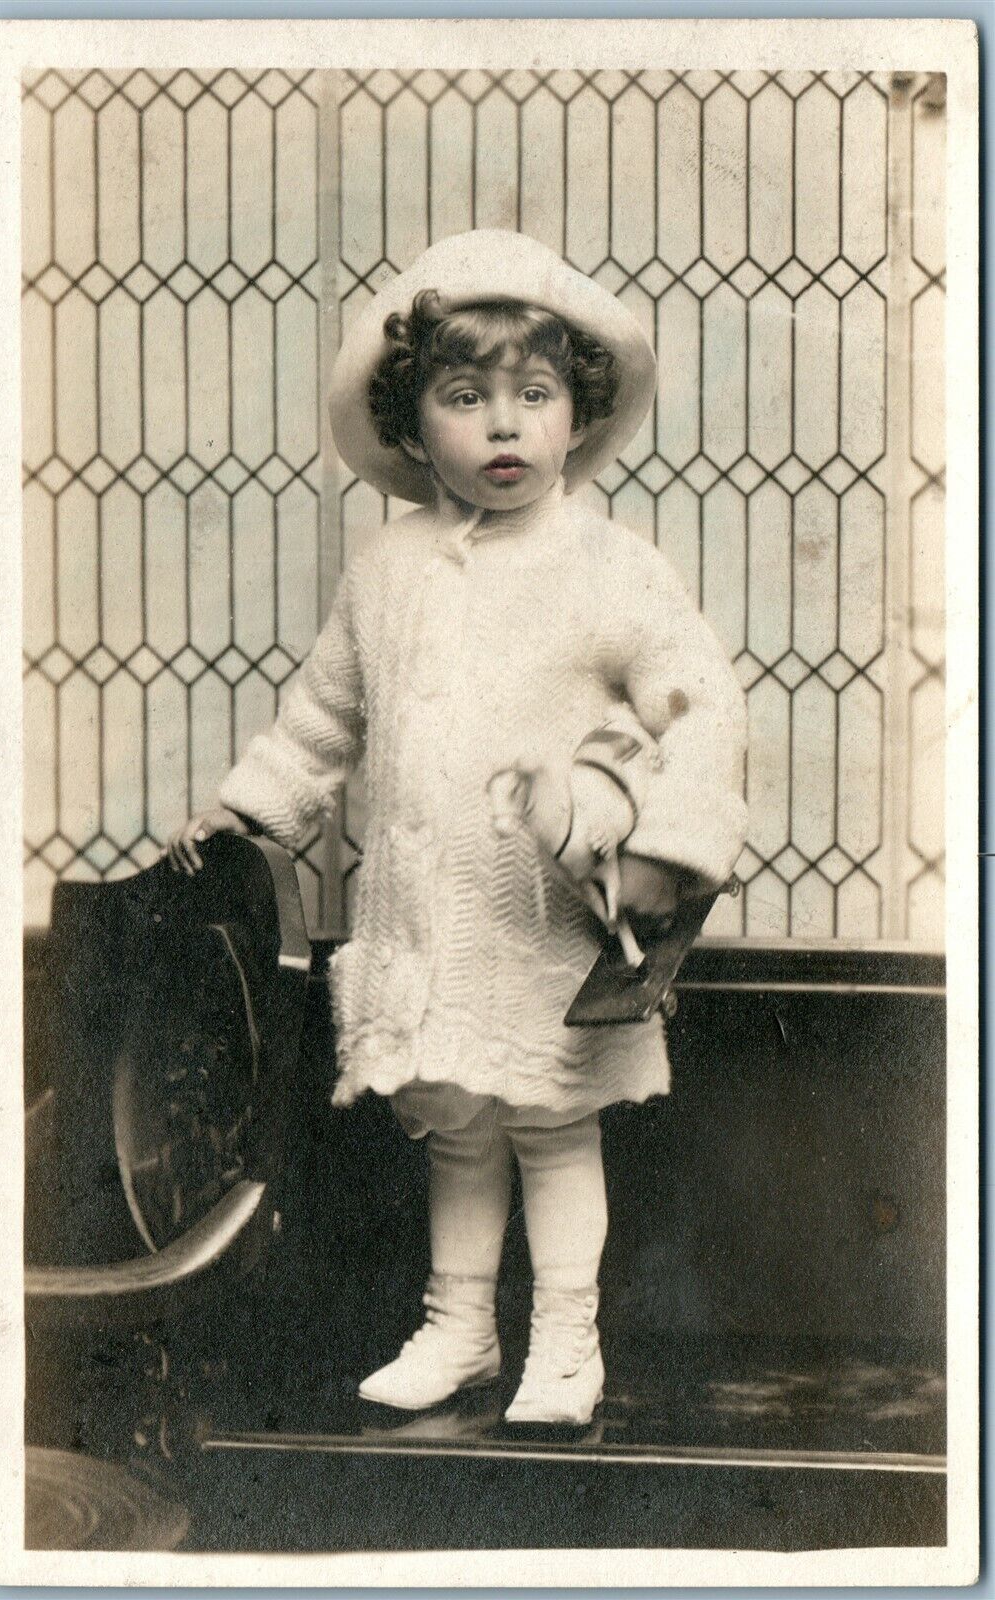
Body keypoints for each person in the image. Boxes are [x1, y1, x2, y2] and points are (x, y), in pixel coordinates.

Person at [169, 230, 747, 1425]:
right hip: (427, 920)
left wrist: (664, 852)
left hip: (539, 917)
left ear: (575, 417)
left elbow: (700, 701)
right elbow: (323, 720)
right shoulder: (384, 570)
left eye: (531, 398)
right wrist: (238, 814)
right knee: (456, 1130)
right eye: (465, 396)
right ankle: (458, 1328)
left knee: (549, 1126)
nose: (501, 427)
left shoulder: (607, 565)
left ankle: (565, 1346)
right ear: (408, 419)